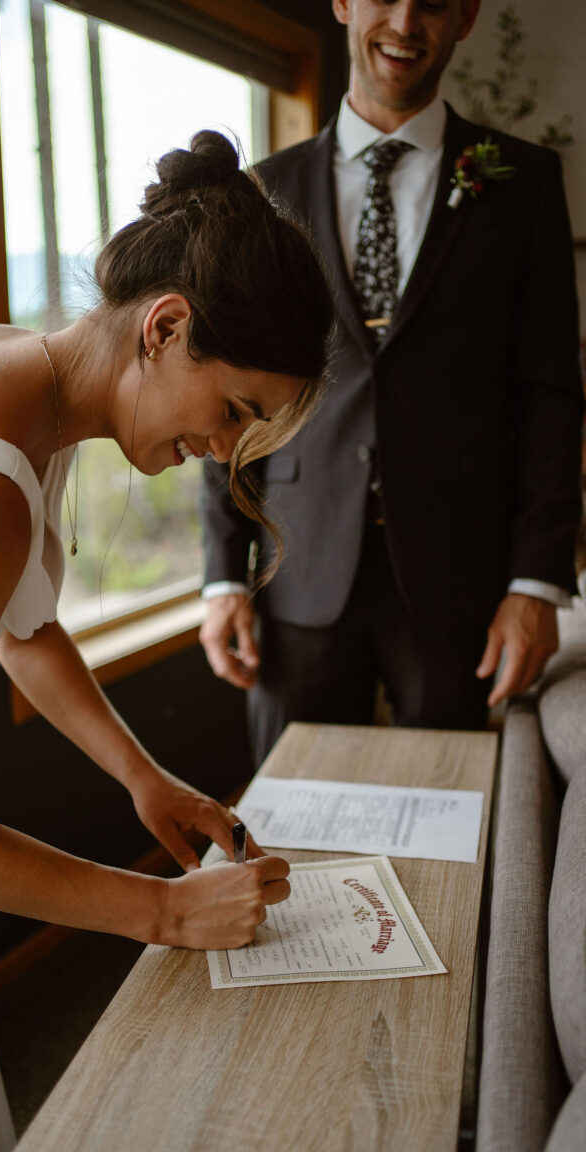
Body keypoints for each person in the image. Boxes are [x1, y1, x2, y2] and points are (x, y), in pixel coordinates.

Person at [0, 130, 333, 1152]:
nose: (224, 449)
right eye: (234, 410)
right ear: (167, 325)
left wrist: (142, 781)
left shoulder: (20, 372)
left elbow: (26, 628)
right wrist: (168, 914)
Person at [200, 0, 584, 767]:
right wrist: (221, 577)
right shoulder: (262, 191)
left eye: (436, 2)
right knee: (292, 821)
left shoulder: (524, 182)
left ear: (468, 16)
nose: (407, 23)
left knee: (454, 812)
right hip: (295, 568)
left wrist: (538, 582)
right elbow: (223, 387)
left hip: (460, 584)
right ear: (342, 1)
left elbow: (550, 393)